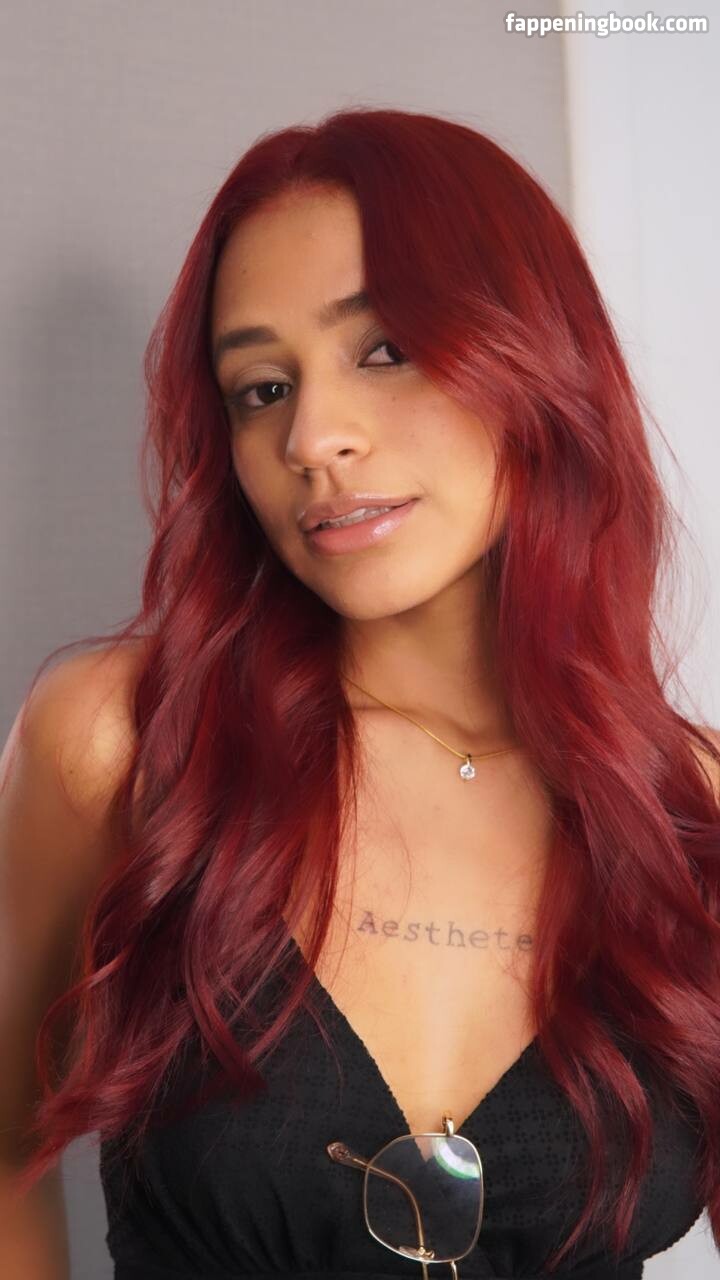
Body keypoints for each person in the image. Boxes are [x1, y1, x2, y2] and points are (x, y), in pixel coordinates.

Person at [2, 107, 719, 1280]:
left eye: (383, 350)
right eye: (259, 388)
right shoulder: (123, 741)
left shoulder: (687, 806)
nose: (314, 438)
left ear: (535, 360)